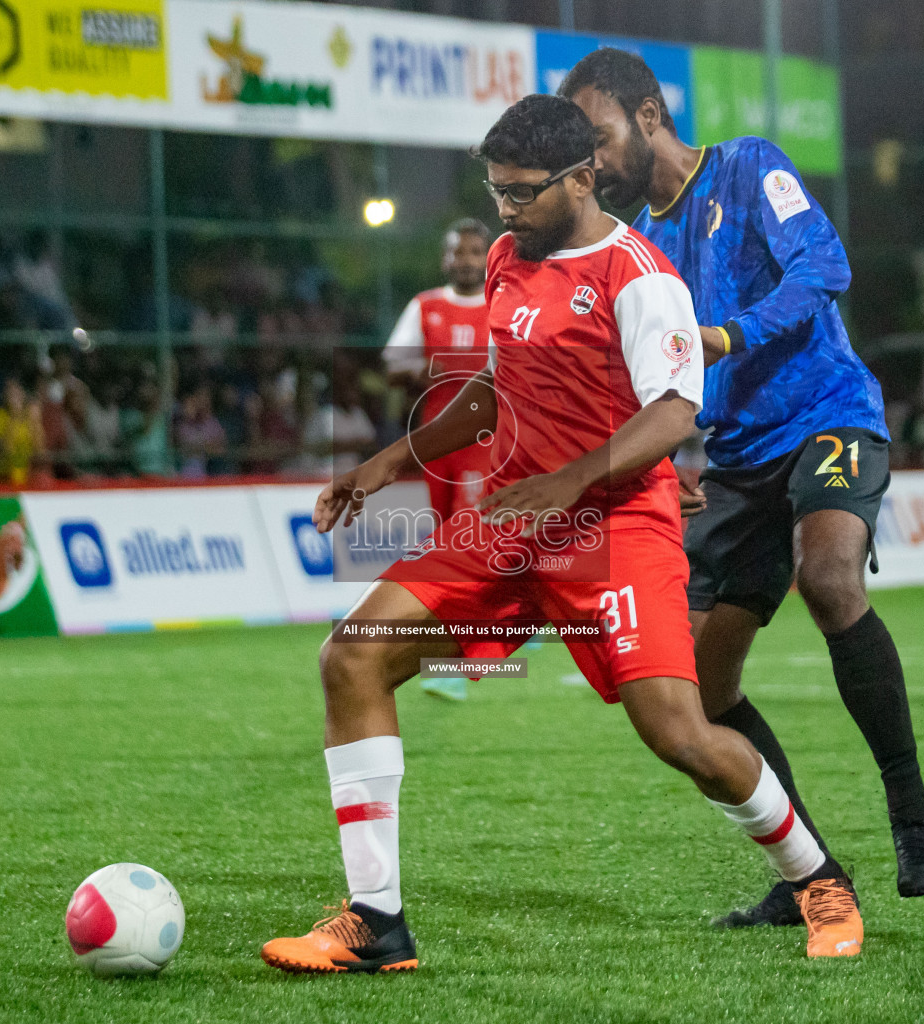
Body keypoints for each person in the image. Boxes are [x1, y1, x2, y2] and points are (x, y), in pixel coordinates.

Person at [260, 95, 864, 974]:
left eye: (521, 192)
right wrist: (388, 462)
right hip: (510, 522)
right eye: (495, 190)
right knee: (353, 656)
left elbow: (674, 412)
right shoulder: (511, 256)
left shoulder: (640, 275)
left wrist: (568, 483)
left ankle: (819, 880)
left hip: (615, 526)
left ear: (581, 178)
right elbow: (495, 390)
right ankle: (375, 923)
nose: (503, 212)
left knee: (680, 736)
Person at [561, 49, 924, 929]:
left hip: (828, 418)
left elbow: (824, 267)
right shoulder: (638, 250)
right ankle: (812, 873)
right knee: (693, 689)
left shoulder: (750, 166)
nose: (593, 165)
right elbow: (644, 388)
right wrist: (661, 470)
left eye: (599, 138)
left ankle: (914, 820)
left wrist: (728, 335)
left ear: (649, 116)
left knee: (829, 577)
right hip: (737, 463)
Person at [382, 217, 495, 700]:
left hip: (487, 444)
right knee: (444, 538)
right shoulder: (425, 306)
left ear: (488, 257)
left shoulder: (503, 304)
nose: (465, 260)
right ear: (445, 257)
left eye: (474, 252)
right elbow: (392, 363)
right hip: (435, 447)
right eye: (458, 252)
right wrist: (427, 368)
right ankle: (484, 636)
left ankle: (462, 659)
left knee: (469, 538)